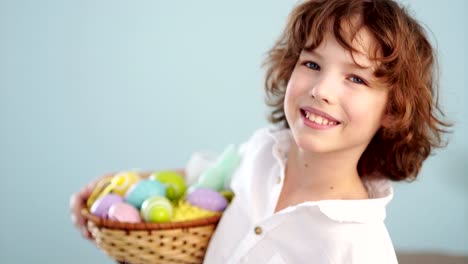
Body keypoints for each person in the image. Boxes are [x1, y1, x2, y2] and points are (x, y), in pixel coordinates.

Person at [70, 0, 450, 263]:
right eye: (312, 64)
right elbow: (198, 181)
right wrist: (118, 188)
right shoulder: (262, 154)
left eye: (355, 77)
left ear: (393, 110)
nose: (321, 90)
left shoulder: (359, 248)